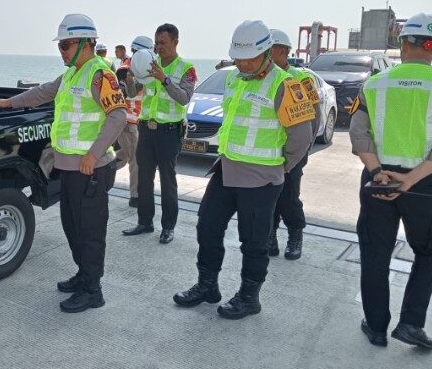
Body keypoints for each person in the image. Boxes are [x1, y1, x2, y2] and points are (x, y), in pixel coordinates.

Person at [173, 20, 314, 319]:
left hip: (262, 177)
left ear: (266, 53)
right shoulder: (235, 79)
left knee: (253, 241)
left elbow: (302, 137)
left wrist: (281, 168)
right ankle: (207, 285)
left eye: (248, 58)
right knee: (207, 227)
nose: (243, 63)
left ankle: (250, 297)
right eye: (238, 58)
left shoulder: (285, 84)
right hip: (226, 168)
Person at [0, 14, 126, 313]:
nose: (61, 50)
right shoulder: (72, 75)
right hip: (69, 167)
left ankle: (93, 290)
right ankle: (83, 275)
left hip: (92, 168)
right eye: (60, 45)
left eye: (66, 44)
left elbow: (118, 116)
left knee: (89, 231)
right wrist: (8, 103)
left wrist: (93, 154)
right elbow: (42, 93)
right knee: (72, 225)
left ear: (85, 43)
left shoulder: (100, 75)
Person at [349, 12, 432, 350]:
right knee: (429, 253)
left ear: (402, 43)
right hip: (425, 184)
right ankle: (411, 324)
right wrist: (410, 179)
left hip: (378, 181)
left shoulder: (374, 83)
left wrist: (377, 172)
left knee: (375, 252)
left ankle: (377, 326)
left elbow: (358, 134)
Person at [122, 24, 196, 244]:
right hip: (146, 129)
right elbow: (136, 92)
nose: (158, 47)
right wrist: (129, 84)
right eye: (156, 43)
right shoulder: (150, 64)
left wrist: (164, 79)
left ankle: (168, 227)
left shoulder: (186, 68)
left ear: (175, 42)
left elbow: (184, 98)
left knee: (167, 180)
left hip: (169, 132)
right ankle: (144, 222)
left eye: (163, 43)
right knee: (144, 179)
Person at [268, 28, 319, 260]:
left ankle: (295, 235)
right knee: (268, 197)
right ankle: (270, 237)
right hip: (267, 150)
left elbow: (315, 116)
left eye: (268, 51)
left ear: (282, 51)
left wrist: (303, 149)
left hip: (293, 151)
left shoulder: (302, 79)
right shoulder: (264, 79)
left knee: (289, 196)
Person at [115, 36, 154, 207]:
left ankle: (96, 172)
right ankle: (136, 197)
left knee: (123, 157)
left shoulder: (139, 68)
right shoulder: (126, 70)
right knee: (135, 161)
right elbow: (124, 90)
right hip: (129, 122)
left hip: (135, 121)